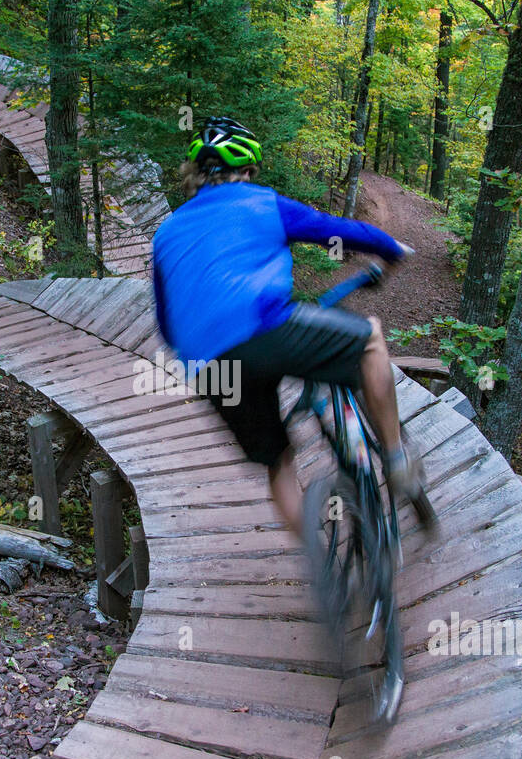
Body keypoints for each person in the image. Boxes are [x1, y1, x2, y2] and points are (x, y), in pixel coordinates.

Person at [150, 116, 435, 539]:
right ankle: (395, 459)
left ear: (196, 175)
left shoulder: (166, 233)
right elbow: (333, 230)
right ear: (246, 172)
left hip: (209, 366)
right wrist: (389, 246)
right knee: (370, 339)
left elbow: (167, 324)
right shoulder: (261, 202)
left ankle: (323, 570)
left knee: (278, 463)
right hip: (266, 329)